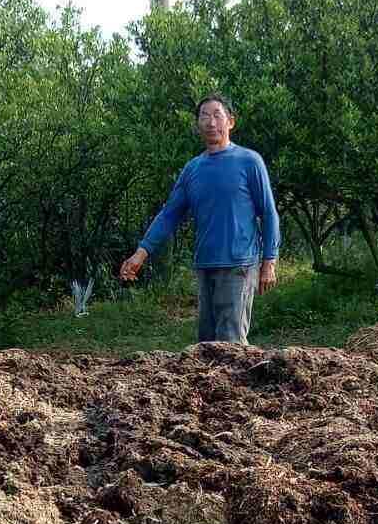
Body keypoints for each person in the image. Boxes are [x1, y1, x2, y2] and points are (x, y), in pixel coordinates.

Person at [119, 93, 280, 343]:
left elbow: (269, 213)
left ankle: (239, 382)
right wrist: (141, 253)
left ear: (231, 122)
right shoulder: (193, 169)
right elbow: (169, 214)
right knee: (206, 343)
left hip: (239, 264)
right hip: (205, 264)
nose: (211, 122)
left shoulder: (249, 161)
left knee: (230, 342)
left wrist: (269, 261)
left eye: (217, 115)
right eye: (204, 116)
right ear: (198, 125)